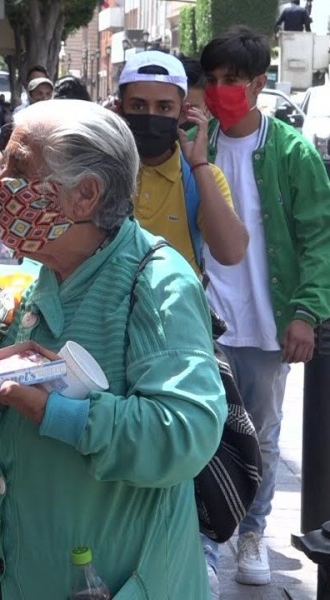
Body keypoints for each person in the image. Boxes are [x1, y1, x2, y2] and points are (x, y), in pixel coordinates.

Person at [0, 99, 227, 599]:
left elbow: (184, 434)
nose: (0, 183)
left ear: (85, 195)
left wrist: (52, 411)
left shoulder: (153, 281)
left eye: (19, 168)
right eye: (1, 163)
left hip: (108, 580)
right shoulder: (27, 282)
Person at [198, 26, 330, 589]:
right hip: (198, 313)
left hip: (263, 320)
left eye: (233, 80)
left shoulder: (291, 151)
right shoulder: (193, 144)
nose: (221, 90)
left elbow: (319, 237)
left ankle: (252, 531)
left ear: (258, 84)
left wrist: (306, 311)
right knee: (196, 424)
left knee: (261, 433)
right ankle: (201, 535)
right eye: (213, 79)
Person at [117, 50, 248, 277]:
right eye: (138, 106)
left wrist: (199, 165)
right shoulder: (101, 170)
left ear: (182, 112)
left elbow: (231, 253)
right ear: (120, 109)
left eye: (164, 107)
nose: (151, 116)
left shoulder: (201, 177)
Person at [0, 77, 54, 151]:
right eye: (39, 93)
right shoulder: (20, 113)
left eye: (48, 94)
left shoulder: (55, 115)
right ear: (30, 94)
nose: (44, 97)